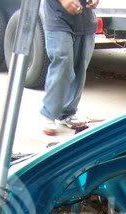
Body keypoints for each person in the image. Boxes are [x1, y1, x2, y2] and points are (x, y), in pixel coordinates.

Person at [41, 0, 99, 136]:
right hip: (57, 18)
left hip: (85, 20)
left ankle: (67, 113)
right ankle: (50, 113)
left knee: (80, 67)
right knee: (63, 61)